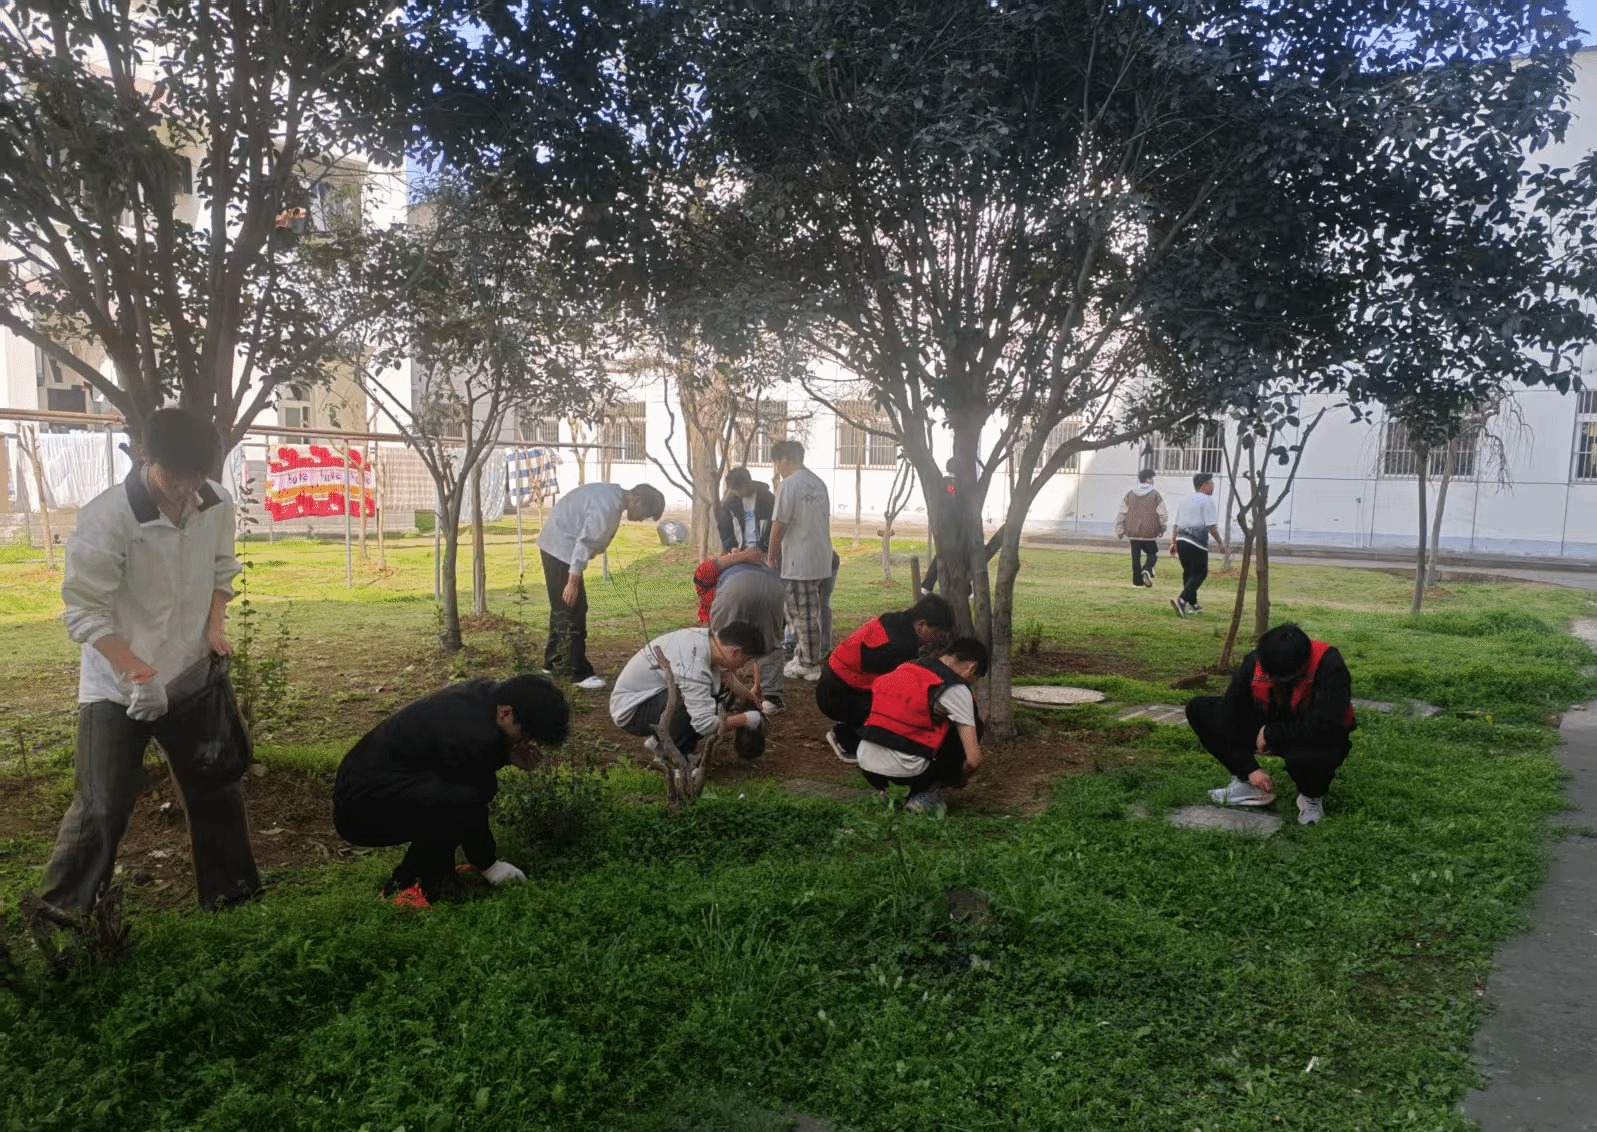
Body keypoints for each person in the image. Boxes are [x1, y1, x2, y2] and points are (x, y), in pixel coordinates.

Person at [35, 406, 259, 921]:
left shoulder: (215, 501)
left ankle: (234, 901)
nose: (185, 490)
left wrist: (215, 626)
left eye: (196, 476)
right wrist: (138, 672)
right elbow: (84, 612)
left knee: (215, 787)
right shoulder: (107, 518)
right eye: (174, 477)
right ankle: (62, 912)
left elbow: (222, 569)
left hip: (192, 675)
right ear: (143, 454)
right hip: (117, 686)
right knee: (103, 804)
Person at [333, 675, 572, 908]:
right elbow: (470, 803)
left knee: (458, 797)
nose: (525, 742)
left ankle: (438, 874)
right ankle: (404, 886)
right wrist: (489, 865)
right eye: (525, 734)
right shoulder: (473, 736)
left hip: (370, 784)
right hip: (362, 810)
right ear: (506, 713)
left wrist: (506, 754)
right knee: (460, 803)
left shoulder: (486, 696)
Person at [1185, 622, 1355, 825]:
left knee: (1317, 751)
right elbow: (1229, 714)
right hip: (1268, 720)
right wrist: (1249, 768)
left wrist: (1271, 733)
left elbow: (1327, 726)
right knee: (1201, 709)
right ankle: (1247, 784)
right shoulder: (1255, 662)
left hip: (1312, 731)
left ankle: (1311, 797)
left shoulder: (1329, 665)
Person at [537, 481, 665, 689]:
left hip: (556, 544)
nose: (642, 519)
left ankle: (553, 662)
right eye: (645, 513)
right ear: (637, 500)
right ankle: (575, 672)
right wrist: (572, 582)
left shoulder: (611, 496)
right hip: (561, 547)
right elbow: (585, 543)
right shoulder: (607, 507)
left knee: (563, 606)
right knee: (572, 608)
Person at [855, 637, 990, 815]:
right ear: (971, 667)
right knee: (971, 725)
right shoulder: (955, 688)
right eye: (973, 679)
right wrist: (959, 779)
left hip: (867, 767)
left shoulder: (906, 667)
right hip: (909, 775)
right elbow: (973, 760)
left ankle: (890, 792)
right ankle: (928, 794)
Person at [816, 593, 956, 765]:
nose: (937, 638)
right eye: (937, 633)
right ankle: (845, 738)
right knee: (900, 708)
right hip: (835, 695)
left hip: (834, 683)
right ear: (921, 625)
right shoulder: (898, 646)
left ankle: (854, 724)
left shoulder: (898, 621)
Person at [609, 622, 767, 757]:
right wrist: (747, 719)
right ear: (735, 652)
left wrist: (748, 696)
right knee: (693, 703)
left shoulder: (708, 640)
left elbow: (725, 676)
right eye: (746, 660)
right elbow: (704, 724)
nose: (744, 665)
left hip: (651, 696)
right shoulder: (693, 665)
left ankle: (659, 741)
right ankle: (677, 756)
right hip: (631, 711)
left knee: (717, 691)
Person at [766, 440, 833, 680]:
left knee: (801, 614)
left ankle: (809, 662)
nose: (777, 467)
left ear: (785, 459)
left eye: (777, 462)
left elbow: (779, 524)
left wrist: (771, 557)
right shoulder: (818, 482)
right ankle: (802, 655)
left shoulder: (789, 485)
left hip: (799, 559)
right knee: (805, 611)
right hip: (819, 556)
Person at [693, 547, 788, 714]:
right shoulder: (759, 564)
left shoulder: (713, 573)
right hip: (775, 588)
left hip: (735, 588)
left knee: (721, 644)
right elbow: (758, 644)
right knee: (768, 641)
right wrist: (757, 686)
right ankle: (771, 698)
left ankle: (726, 693)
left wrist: (737, 557)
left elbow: (702, 574)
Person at [1170, 471, 1226, 617]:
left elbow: (1175, 524)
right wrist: (1220, 543)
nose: (1213, 486)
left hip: (1181, 540)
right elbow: (1211, 526)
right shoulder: (1207, 500)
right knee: (1201, 572)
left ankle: (1193, 604)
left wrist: (1173, 542)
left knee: (1188, 573)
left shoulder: (1184, 500)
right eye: (1211, 483)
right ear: (1204, 485)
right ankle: (1182, 600)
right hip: (1196, 542)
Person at [1115, 468, 1167, 588]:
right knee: (1152, 554)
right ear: (1148, 479)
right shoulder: (1155, 494)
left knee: (1135, 557)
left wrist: (1119, 529)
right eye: (1152, 478)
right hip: (1149, 531)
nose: (1153, 481)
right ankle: (1147, 569)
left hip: (1132, 531)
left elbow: (1122, 512)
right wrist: (1162, 526)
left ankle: (1137, 582)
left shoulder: (1130, 494)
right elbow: (1163, 513)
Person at [716, 466, 776, 552]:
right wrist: (731, 547)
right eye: (733, 489)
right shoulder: (730, 504)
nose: (734, 492)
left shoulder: (767, 499)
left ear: (747, 484)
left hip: (764, 550)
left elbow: (775, 525)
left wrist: (767, 547)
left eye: (737, 489)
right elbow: (725, 529)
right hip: (741, 550)